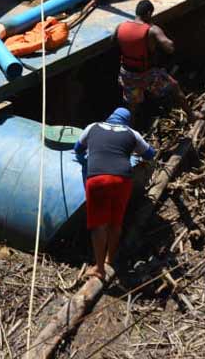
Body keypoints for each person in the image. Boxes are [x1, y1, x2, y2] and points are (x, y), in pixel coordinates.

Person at [74, 107, 157, 279]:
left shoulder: (92, 127)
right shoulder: (132, 133)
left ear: (110, 117)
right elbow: (150, 154)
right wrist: (131, 150)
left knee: (99, 225)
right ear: (126, 121)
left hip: (98, 179)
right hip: (122, 179)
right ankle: (110, 260)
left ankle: (99, 269)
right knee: (115, 222)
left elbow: (78, 149)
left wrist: (86, 160)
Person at [114, 0, 194, 117]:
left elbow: (113, 40)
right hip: (147, 74)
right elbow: (170, 48)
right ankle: (192, 115)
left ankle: (129, 129)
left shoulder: (120, 26)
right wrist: (156, 33)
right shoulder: (151, 30)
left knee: (132, 105)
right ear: (149, 13)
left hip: (127, 74)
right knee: (174, 87)